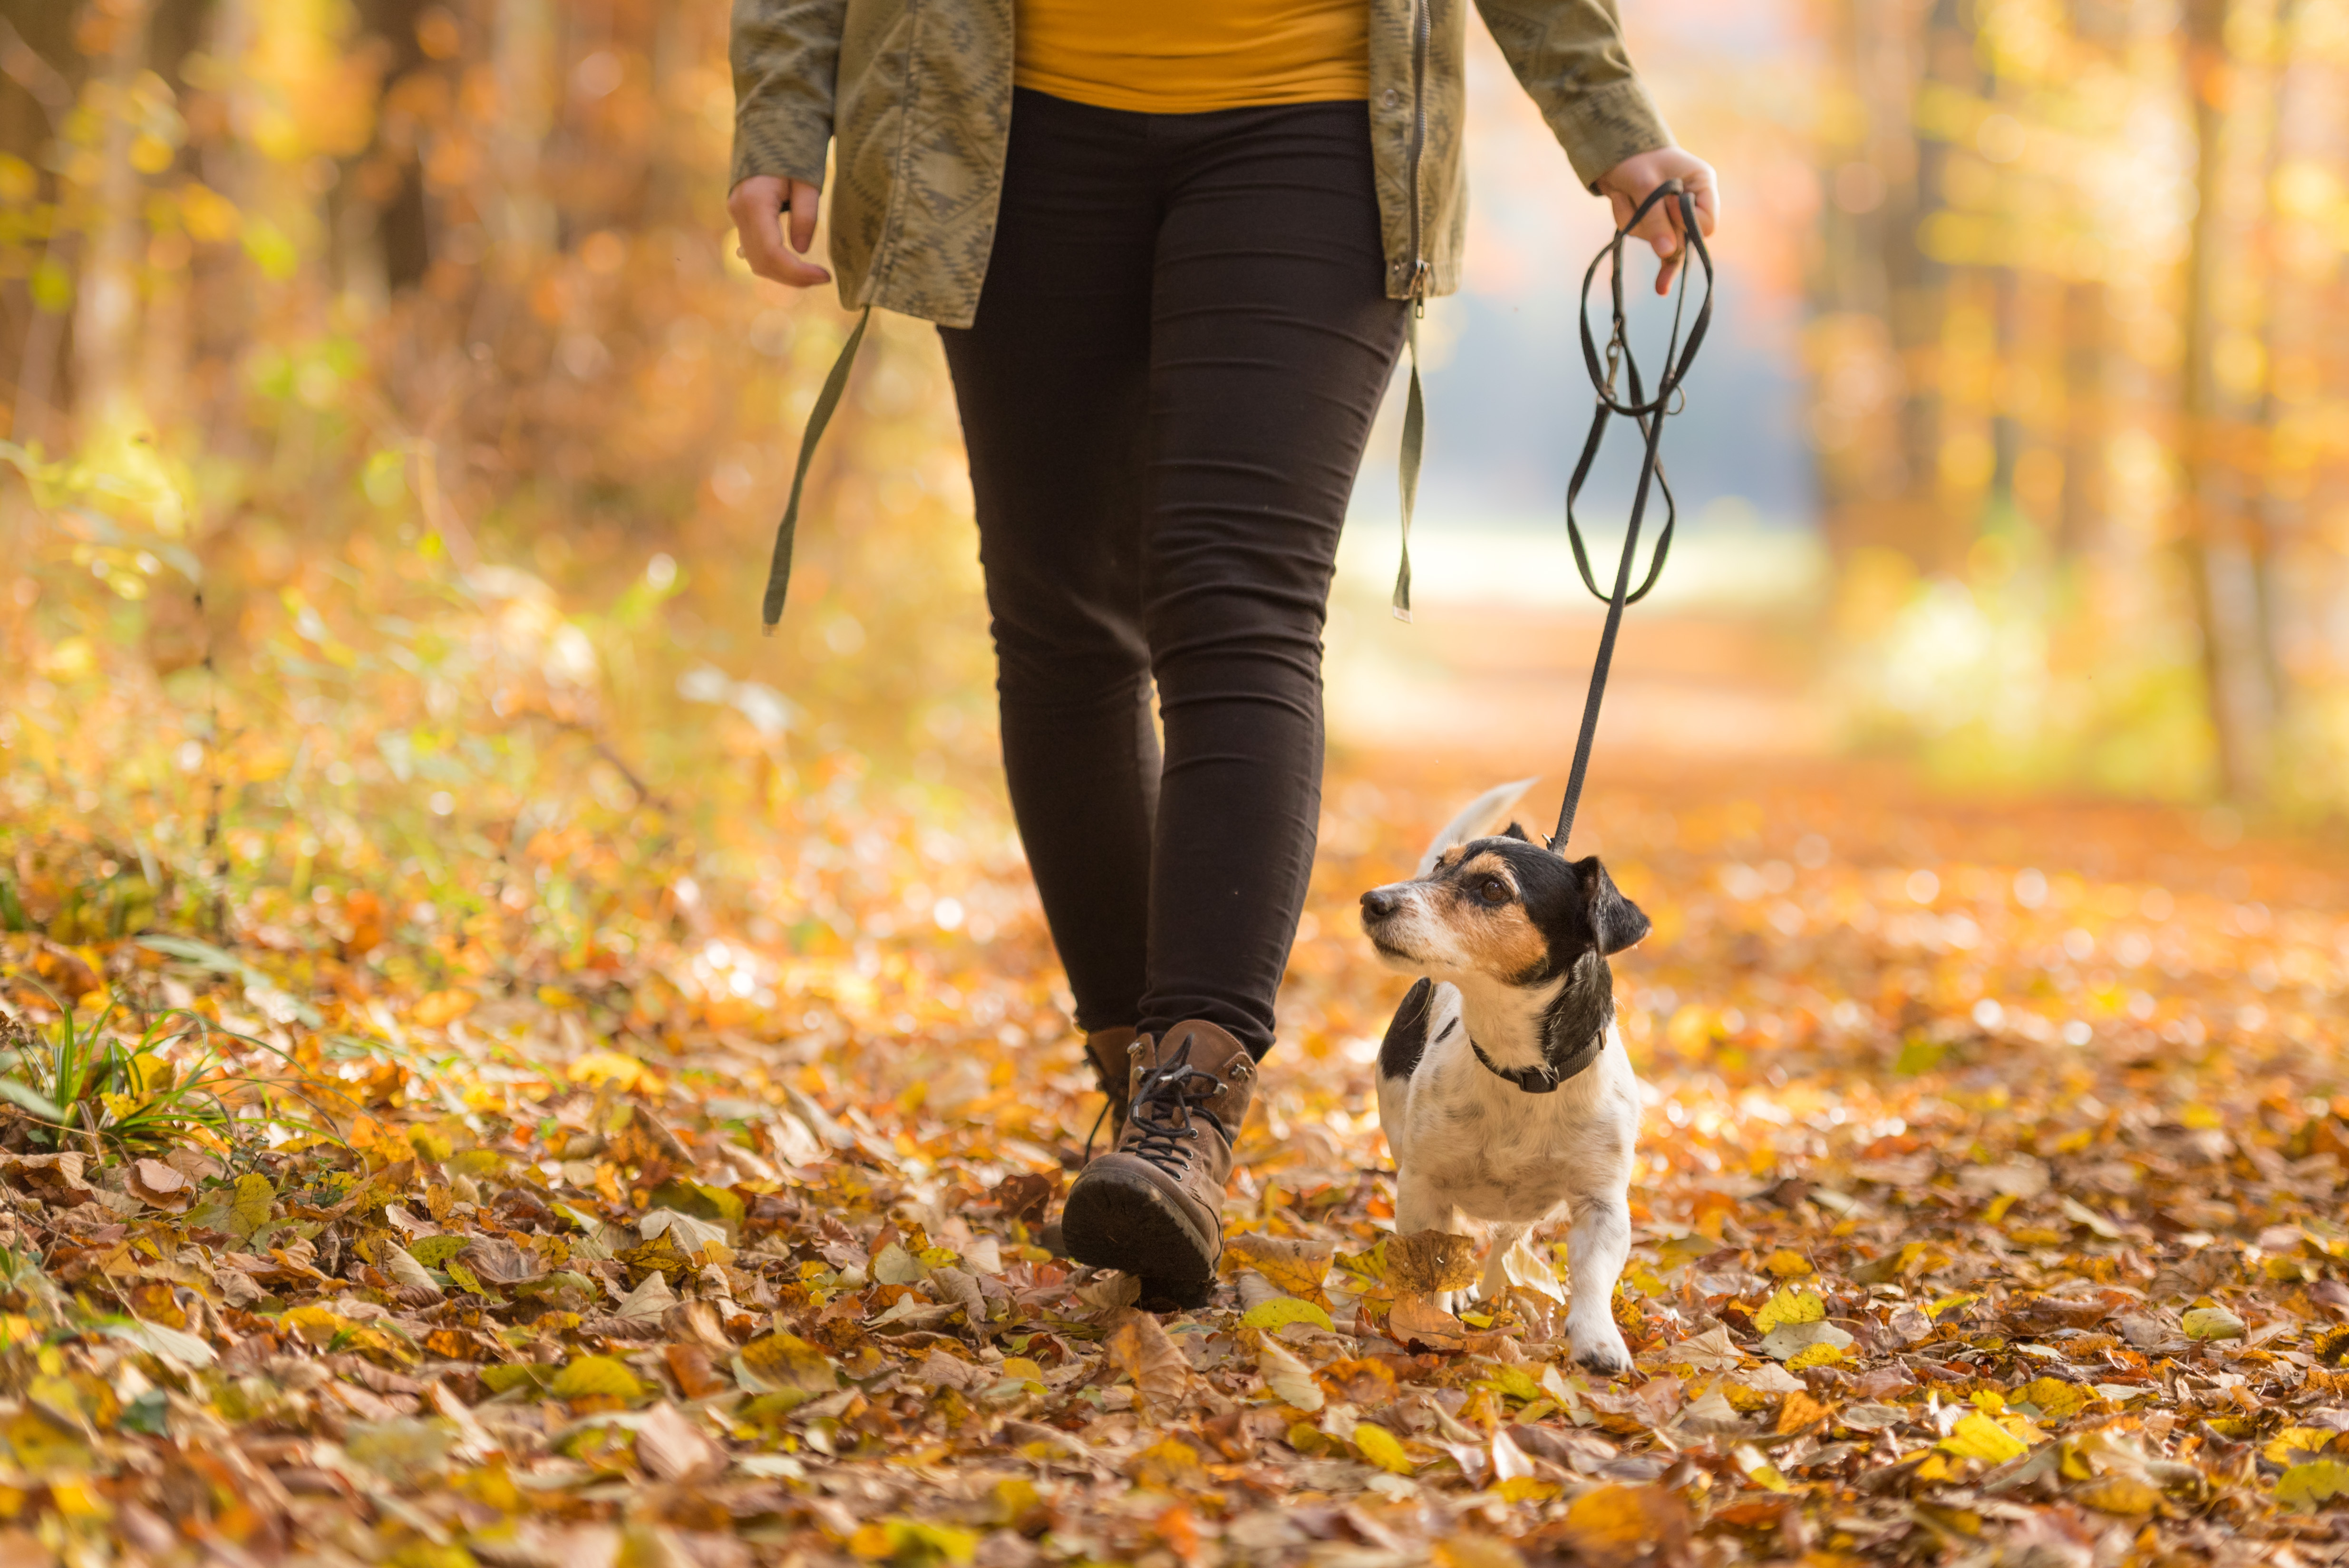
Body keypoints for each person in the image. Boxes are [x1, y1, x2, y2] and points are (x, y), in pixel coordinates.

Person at [728, 0, 1718, 1304]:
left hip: (1313, 117)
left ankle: (1190, 1106)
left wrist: (1609, 121)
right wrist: (783, 113)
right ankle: (1136, 1078)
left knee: (1237, 599)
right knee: (1061, 620)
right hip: (1003, 117)